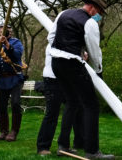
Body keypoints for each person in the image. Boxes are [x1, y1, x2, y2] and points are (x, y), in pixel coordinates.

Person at [50, 0, 113, 159]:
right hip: (72, 64)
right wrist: (99, 70)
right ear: (93, 8)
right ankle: (92, 151)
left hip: (56, 63)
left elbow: (52, 38)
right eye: (99, 12)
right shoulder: (90, 23)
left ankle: (63, 145)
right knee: (91, 105)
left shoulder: (63, 14)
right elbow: (94, 50)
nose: (99, 15)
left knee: (72, 102)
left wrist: (74, 51)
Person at [36, 27, 84, 155]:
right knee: (52, 113)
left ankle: (67, 146)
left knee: (74, 110)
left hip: (65, 80)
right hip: (53, 80)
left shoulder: (66, 42)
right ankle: (42, 147)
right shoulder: (54, 43)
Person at [0, 24, 25, 141]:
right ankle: (4, 131)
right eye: (1, 31)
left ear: (10, 33)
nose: (3, 33)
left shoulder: (16, 43)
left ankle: (14, 132)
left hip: (15, 78)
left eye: (6, 31)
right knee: (1, 106)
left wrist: (7, 45)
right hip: (2, 79)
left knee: (15, 103)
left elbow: (17, 55)